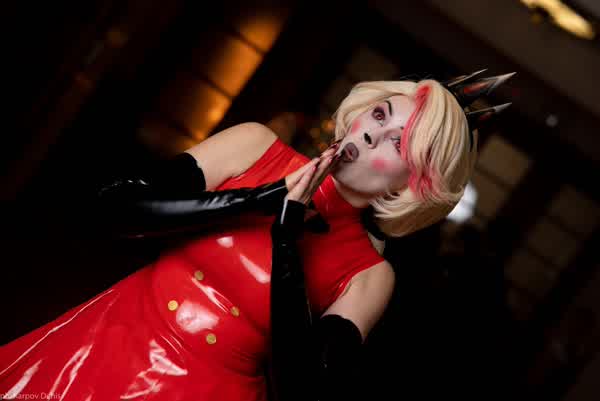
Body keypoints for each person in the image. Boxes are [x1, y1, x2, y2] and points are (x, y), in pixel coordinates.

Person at [0, 71, 513, 401]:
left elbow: (302, 383)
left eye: (397, 144)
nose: (372, 133)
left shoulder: (370, 276)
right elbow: (114, 209)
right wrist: (257, 200)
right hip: (109, 336)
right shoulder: (255, 145)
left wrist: (287, 236)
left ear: (407, 186)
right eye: (380, 115)